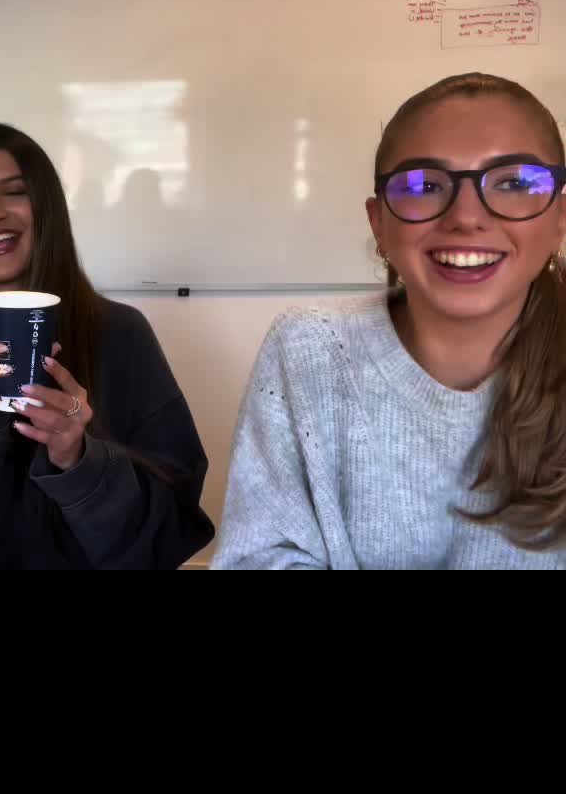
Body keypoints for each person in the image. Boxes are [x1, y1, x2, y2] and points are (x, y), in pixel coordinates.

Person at [211, 73, 566, 570]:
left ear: (560, 216)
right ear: (378, 221)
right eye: (424, 185)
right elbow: (256, 558)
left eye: (514, 183)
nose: (467, 216)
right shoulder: (308, 349)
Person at [0, 123, 214, 570]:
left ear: (46, 208)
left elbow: (174, 520)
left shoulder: (120, 332)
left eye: (14, 192)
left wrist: (80, 460)